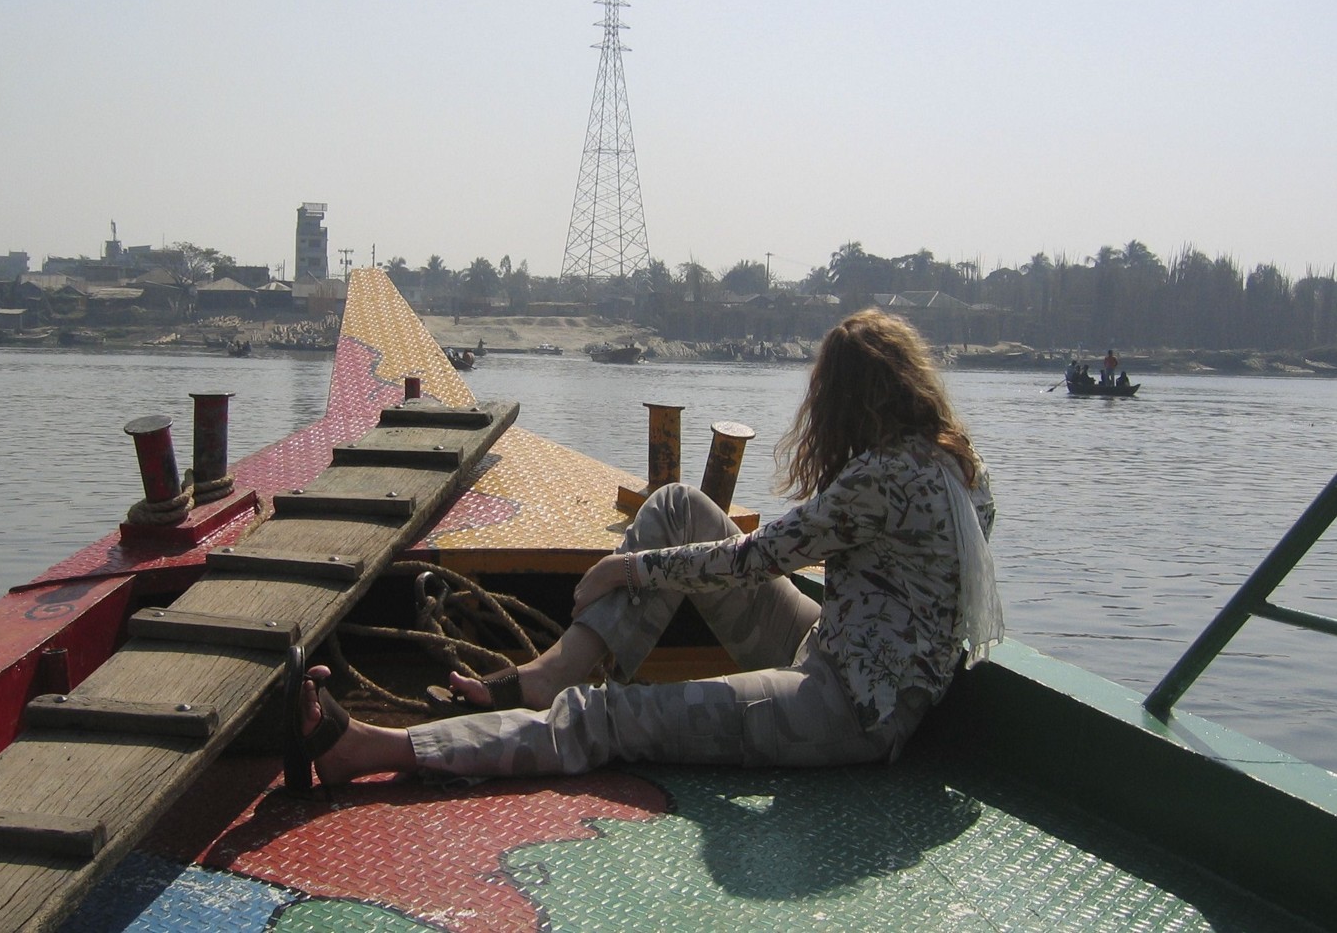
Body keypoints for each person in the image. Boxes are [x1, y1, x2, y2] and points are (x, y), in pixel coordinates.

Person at [284, 309, 1000, 792]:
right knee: (680, 507)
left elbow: (758, 560)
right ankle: (549, 673)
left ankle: (379, 751)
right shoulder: (963, 469)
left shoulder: (883, 477)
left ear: (843, 402)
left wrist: (630, 566)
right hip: (834, 648)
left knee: (612, 719)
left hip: (844, 707)